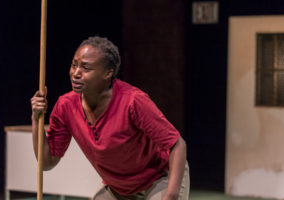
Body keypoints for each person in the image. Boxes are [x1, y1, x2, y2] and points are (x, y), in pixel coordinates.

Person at [31, 36, 190, 200]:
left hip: (160, 178)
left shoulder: (132, 101)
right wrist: (36, 118)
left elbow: (178, 145)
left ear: (108, 73)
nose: (76, 73)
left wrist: (171, 196)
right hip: (119, 189)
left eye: (86, 68)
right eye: (74, 65)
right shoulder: (66, 106)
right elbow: (46, 162)